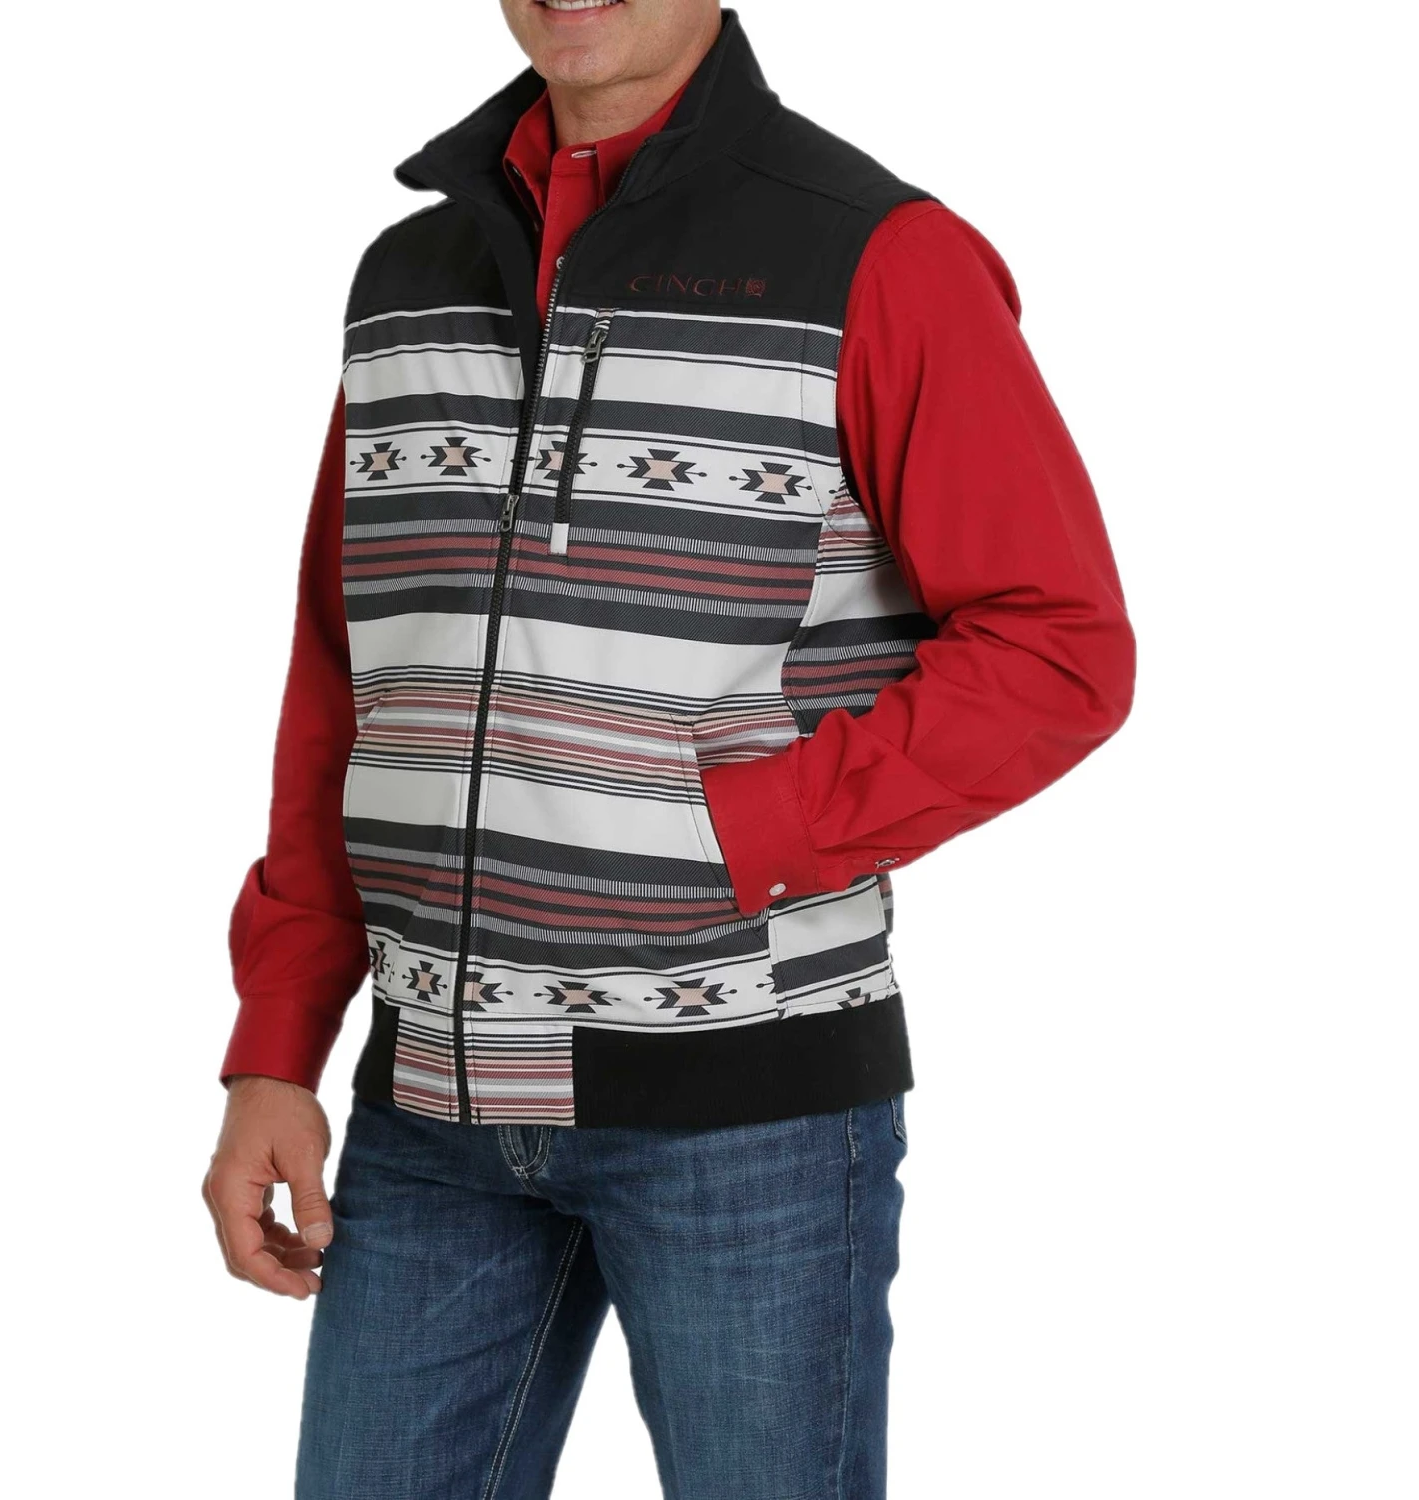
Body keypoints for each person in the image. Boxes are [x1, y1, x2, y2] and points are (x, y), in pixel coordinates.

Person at [202, 4, 1136, 1496]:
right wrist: (277, 1045)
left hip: (744, 1107)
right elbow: (346, 676)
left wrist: (742, 830)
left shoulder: (875, 256)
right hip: (430, 1105)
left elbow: (1058, 648)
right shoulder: (408, 276)